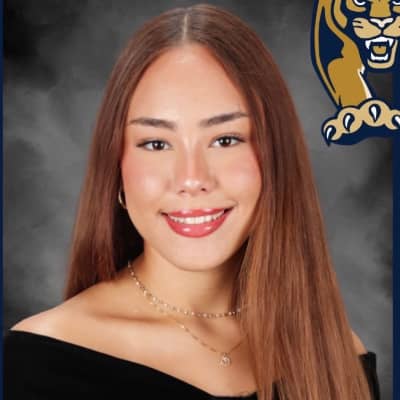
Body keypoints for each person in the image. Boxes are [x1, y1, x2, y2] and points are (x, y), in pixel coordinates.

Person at [4, 4, 381, 400]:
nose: (192, 179)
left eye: (225, 140)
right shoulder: (34, 363)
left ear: (275, 158)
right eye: (156, 144)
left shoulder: (337, 357)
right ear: (116, 168)